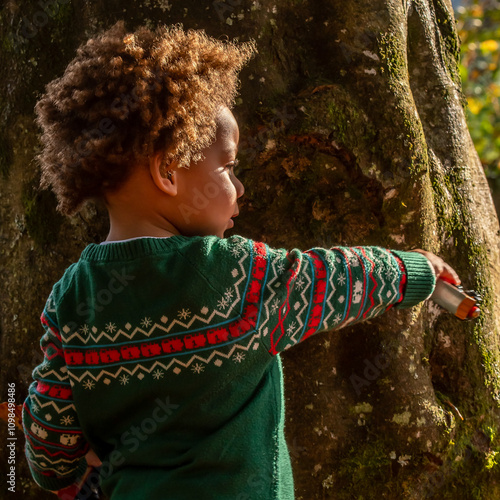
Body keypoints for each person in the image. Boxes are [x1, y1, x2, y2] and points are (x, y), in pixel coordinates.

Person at [22, 21, 460, 500]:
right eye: (228, 168)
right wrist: (416, 271)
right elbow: (339, 278)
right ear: (168, 170)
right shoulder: (240, 279)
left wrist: (61, 475)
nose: (240, 189)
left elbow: (48, 434)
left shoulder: (72, 300)